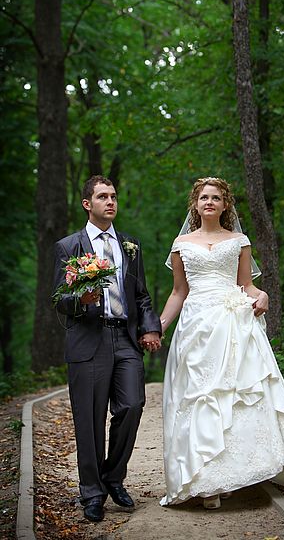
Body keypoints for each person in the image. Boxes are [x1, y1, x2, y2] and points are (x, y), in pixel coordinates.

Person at [159, 177, 284, 509]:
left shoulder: (239, 240)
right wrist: (158, 326)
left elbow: (246, 285)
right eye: (203, 197)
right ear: (195, 204)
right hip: (196, 326)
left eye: (216, 197)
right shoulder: (181, 242)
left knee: (233, 399)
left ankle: (225, 475)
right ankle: (204, 480)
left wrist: (264, 295)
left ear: (225, 205)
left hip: (232, 324)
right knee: (199, 399)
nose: (209, 202)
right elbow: (178, 292)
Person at [52, 175, 162, 522]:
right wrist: (79, 300)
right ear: (88, 204)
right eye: (102, 196)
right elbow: (59, 300)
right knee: (90, 419)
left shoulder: (130, 245)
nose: (110, 202)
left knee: (132, 405)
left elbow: (141, 295)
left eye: (113, 196)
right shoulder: (69, 246)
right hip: (88, 339)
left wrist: (150, 328)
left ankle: (113, 477)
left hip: (125, 340)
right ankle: (93, 492)